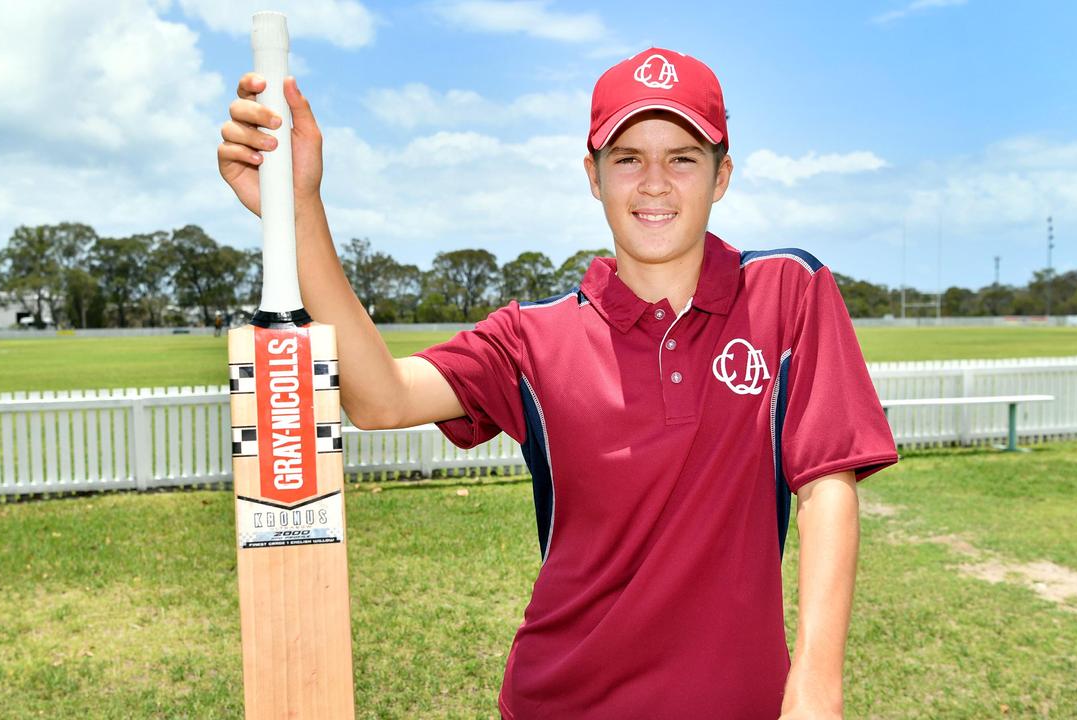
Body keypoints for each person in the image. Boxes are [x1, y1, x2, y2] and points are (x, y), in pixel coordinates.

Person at [218, 47, 898, 720]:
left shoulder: (789, 292)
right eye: (628, 157)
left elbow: (826, 486)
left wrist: (815, 689)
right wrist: (300, 206)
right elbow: (381, 396)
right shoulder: (532, 337)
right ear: (593, 176)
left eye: (683, 158)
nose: (655, 182)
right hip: (561, 701)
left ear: (722, 175)